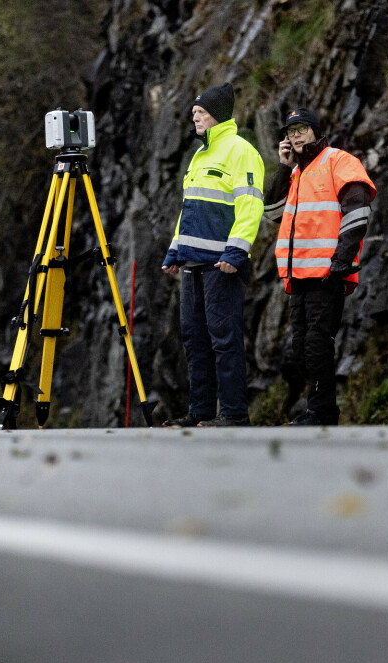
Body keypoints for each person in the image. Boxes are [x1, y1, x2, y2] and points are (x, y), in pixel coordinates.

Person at [161, 82, 265, 428]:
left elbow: (250, 206)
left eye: (200, 113)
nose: (195, 118)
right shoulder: (199, 154)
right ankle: (201, 412)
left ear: (217, 116)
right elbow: (189, 209)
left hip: (223, 264)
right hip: (192, 264)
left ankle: (233, 413)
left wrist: (236, 252)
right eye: (193, 114)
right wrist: (176, 249)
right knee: (194, 339)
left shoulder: (241, 151)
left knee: (225, 339)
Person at [264, 108, 376, 426]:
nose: (295, 136)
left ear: (315, 130)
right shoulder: (297, 174)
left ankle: (322, 413)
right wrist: (284, 170)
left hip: (327, 275)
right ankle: (317, 409)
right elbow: (273, 214)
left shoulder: (337, 160)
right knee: (300, 349)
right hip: (299, 277)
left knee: (316, 345)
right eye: (290, 132)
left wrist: (341, 261)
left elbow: (358, 211)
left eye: (301, 129)